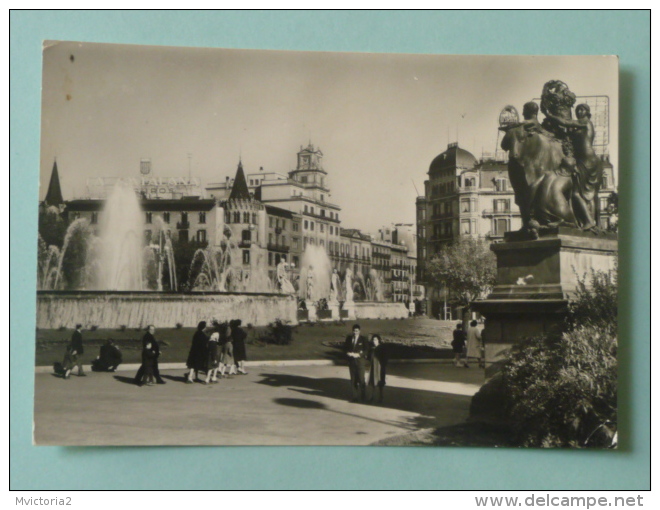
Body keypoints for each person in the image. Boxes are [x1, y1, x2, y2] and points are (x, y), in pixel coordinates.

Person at [344, 324, 369, 402]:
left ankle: (363, 396)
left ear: (359, 331)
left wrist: (359, 354)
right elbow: (345, 348)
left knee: (361, 379)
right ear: (352, 331)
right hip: (351, 362)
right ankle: (355, 397)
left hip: (360, 362)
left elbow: (366, 350)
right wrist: (347, 353)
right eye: (354, 331)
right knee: (353, 380)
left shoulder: (363, 339)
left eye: (357, 331)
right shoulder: (349, 338)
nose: (355, 332)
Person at [367, 334, 388, 403]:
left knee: (380, 382)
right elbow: (369, 358)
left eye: (375, 340)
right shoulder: (372, 348)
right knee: (372, 381)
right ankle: (371, 396)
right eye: (373, 340)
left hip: (379, 367)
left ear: (378, 340)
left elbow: (385, 359)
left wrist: (383, 367)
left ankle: (381, 397)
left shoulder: (381, 348)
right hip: (373, 366)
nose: (374, 341)